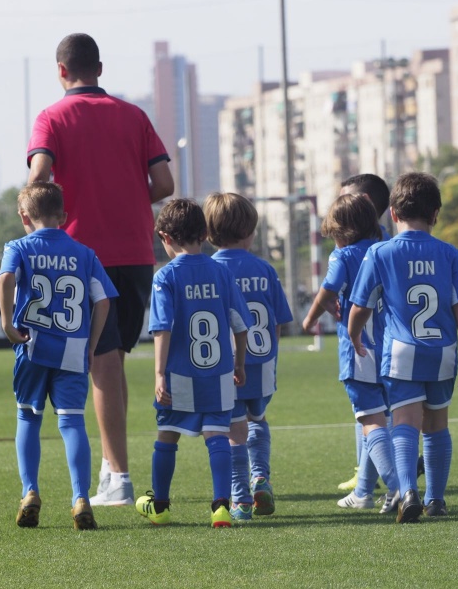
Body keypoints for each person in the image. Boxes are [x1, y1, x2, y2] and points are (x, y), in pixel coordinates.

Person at [27, 33, 175, 507]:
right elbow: (165, 183)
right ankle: (115, 469)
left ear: (61, 71)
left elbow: (40, 174)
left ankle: (120, 476)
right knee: (111, 359)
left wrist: (30, 214)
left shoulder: (51, 116)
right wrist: (130, 202)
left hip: (82, 253)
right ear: (100, 68)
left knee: (102, 362)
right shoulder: (134, 116)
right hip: (136, 250)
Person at [348, 172, 458, 523]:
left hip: (401, 351)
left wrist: (354, 334)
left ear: (392, 213)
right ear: (436, 214)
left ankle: (408, 492)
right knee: (437, 423)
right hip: (443, 351)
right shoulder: (449, 253)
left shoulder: (380, 252)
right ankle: (436, 499)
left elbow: (360, 306)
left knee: (404, 422)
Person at [0, 181, 118, 530]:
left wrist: (7, 324)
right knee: (72, 422)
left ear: (25, 216)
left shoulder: (18, 246)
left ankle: (30, 492)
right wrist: (92, 343)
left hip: (31, 346)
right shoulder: (85, 253)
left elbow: (6, 278)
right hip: (72, 349)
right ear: (63, 216)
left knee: (28, 418)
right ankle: (80, 497)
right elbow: (104, 300)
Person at [136, 199, 253, 528]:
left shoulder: (166, 277)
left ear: (164, 237)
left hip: (180, 374)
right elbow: (241, 324)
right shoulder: (220, 271)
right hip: (218, 373)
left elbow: (162, 328)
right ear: (203, 233)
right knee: (217, 435)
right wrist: (239, 365)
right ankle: (220, 506)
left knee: (167, 434)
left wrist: (159, 374)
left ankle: (159, 505)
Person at [302, 193, 400, 513]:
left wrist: (311, 317)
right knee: (380, 418)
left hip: (360, 349)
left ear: (341, 233)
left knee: (370, 422)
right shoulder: (386, 247)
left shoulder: (343, 256)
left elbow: (328, 290)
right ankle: (363, 492)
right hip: (392, 347)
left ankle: (401, 489)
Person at [203, 192, 293, 521]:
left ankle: (240, 499)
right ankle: (261, 479)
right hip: (262, 363)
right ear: (250, 232)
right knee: (259, 419)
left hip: (224, 366)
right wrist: (271, 360)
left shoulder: (209, 269)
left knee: (232, 431)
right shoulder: (265, 269)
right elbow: (280, 320)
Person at [334, 174, 392, 493]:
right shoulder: (382, 243)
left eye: (346, 199)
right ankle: (368, 475)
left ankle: (391, 479)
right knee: (372, 412)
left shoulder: (369, 248)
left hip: (366, 344)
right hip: (380, 344)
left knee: (371, 413)